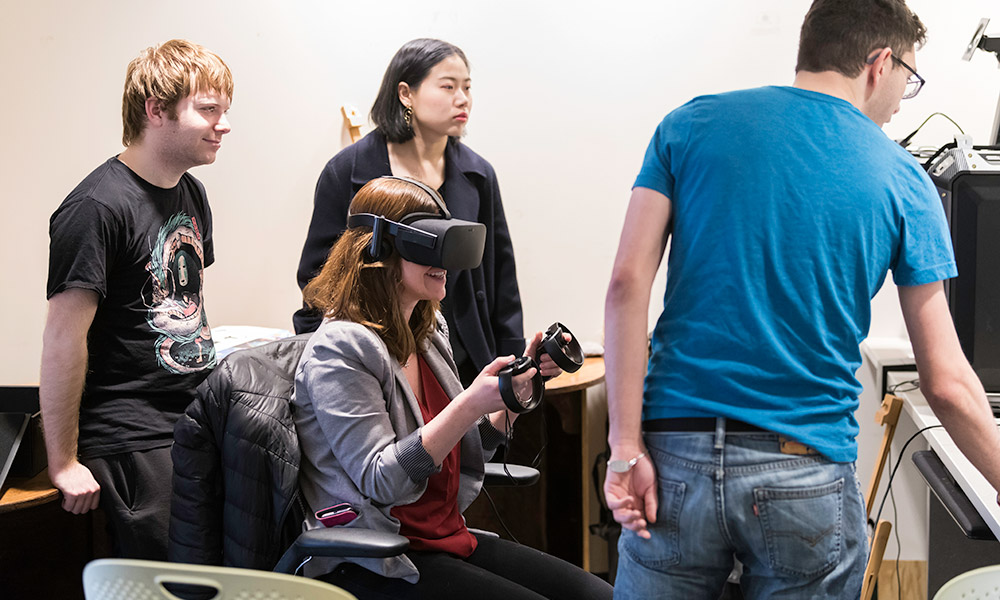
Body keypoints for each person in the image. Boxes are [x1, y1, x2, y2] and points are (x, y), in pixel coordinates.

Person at [602, 0, 1000, 597]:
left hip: (673, 458)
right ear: (879, 63)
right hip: (803, 469)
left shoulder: (689, 125)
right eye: (907, 80)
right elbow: (946, 381)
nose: (899, 101)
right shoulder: (903, 178)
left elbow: (626, 287)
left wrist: (625, 449)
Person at [292, 176, 612, 600]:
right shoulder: (341, 349)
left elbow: (468, 445)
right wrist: (468, 403)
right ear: (379, 249)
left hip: (441, 538)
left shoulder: (427, 331)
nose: (445, 259)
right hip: (378, 556)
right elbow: (380, 480)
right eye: (429, 243)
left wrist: (517, 391)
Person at [40, 39, 233, 560]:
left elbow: (183, 305)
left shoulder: (191, 192)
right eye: (208, 109)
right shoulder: (95, 207)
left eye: (225, 111)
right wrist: (62, 462)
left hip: (194, 414)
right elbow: (63, 339)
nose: (224, 124)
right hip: (131, 432)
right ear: (156, 111)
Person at [294, 38, 523, 386]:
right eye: (448, 86)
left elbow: (501, 276)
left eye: (467, 87)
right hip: (377, 358)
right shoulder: (348, 169)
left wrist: (513, 361)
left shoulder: (479, 174)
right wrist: (322, 364)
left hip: (465, 358)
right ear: (406, 93)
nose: (463, 99)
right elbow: (318, 277)